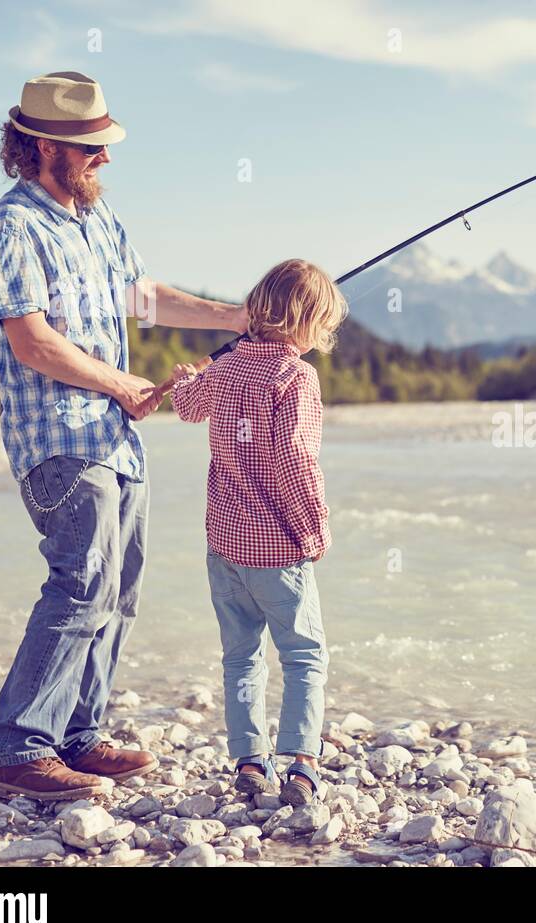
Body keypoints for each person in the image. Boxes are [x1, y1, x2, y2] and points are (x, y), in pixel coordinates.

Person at [0, 71, 249, 800]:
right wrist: (121, 384)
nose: (104, 157)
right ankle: (15, 747)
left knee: (118, 591)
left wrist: (238, 317)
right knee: (81, 582)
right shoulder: (11, 227)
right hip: (57, 439)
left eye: (103, 144)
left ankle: (77, 734)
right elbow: (30, 341)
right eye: (89, 146)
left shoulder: (99, 221)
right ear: (39, 145)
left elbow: (145, 297)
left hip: (116, 441)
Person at [170, 259, 346, 805]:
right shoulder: (296, 377)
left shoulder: (223, 371)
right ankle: (301, 765)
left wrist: (186, 381)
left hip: (224, 545)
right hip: (276, 548)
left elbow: (187, 408)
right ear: (309, 322)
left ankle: (249, 760)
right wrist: (313, 529)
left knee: (240, 654)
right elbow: (294, 457)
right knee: (303, 654)